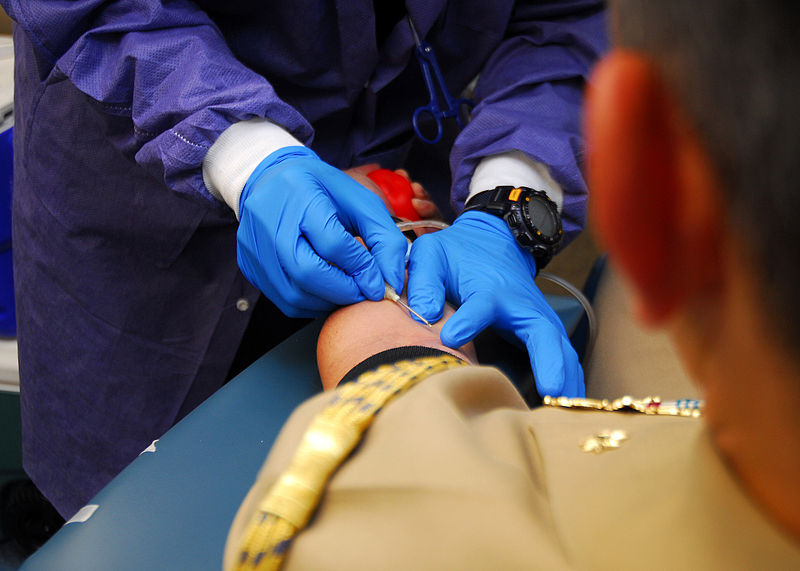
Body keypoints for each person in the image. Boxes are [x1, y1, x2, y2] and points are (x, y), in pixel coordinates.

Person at [224, 0, 800, 567]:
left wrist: (400, 330)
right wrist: (236, 148)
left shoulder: (364, 540)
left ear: (631, 193)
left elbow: (568, 19)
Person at [2, 1, 605, 518]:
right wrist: (241, 151)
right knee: (115, 503)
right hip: (137, 199)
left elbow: (569, 21)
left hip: (393, 166)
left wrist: (512, 201)